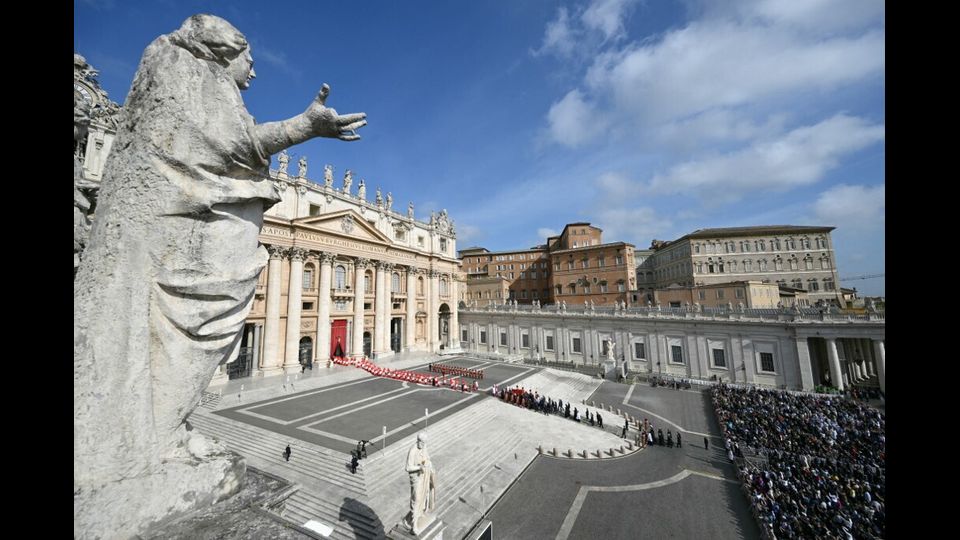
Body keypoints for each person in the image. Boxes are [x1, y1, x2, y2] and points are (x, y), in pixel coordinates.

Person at [74, 14, 369, 495]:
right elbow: (233, 144)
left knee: (195, 330)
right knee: (178, 330)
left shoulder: (211, 92)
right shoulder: (185, 78)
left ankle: (159, 429)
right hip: (174, 226)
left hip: (188, 224)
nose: (254, 71)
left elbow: (236, 144)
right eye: (250, 59)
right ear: (225, 51)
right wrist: (304, 125)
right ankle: (149, 434)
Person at [404, 433, 437, 534]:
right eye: (421, 443)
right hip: (416, 479)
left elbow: (427, 458)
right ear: (418, 441)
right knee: (416, 499)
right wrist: (419, 467)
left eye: (424, 443)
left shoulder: (424, 447)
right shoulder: (412, 451)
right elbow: (408, 467)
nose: (423, 445)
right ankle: (414, 525)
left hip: (424, 476)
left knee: (424, 495)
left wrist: (429, 464)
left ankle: (419, 513)